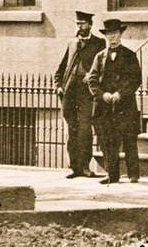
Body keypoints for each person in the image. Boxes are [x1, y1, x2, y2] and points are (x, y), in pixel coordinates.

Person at [86, 18, 142, 184]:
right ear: (106, 36)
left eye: (116, 34)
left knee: (129, 140)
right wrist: (102, 95)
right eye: (109, 34)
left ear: (121, 34)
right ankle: (113, 175)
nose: (113, 37)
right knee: (108, 141)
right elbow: (92, 79)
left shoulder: (130, 56)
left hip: (125, 105)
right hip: (105, 106)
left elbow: (135, 80)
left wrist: (120, 94)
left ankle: (133, 174)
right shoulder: (100, 57)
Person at [55, 10, 104, 178]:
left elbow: (102, 68)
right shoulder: (71, 43)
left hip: (87, 93)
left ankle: (85, 166)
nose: (80, 27)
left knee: (85, 129)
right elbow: (62, 67)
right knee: (71, 129)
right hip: (69, 92)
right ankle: (73, 167)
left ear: (90, 25)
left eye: (83, 24)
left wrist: (92, 77)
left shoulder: (99, 43)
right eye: (77, 24)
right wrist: (58, 86)